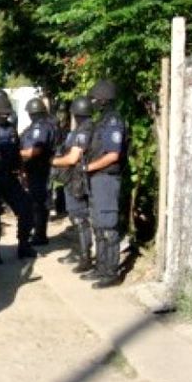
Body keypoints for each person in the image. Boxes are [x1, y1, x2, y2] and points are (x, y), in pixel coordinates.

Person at [80, 79, 127, 288]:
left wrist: (88, 167)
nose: (92, 102)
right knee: (99, 226)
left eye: (94, 99)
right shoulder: (102, 121)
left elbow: (113, 155)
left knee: (108, 226)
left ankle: (111, 272)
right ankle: (101, 267)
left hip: (107, 178)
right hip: (97, 179)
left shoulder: (113, 121)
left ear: (103, 100)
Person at [0, 93, 37, 264]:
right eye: (2, 113)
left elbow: (17, 154)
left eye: (7, 113)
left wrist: (23, 173)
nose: (5, 116)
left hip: (10, 177)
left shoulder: (11, 129)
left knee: (26, 208)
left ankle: (23, 245)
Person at [51, 96, 95, 273]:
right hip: (74, 178)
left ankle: (85, 257)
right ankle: (78, 253)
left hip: (78, 179)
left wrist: (53, 161)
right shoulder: (84, 129)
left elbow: (72, 158)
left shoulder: (84, 131)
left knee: (79, 218)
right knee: (75, 216)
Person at [19, 98, 55, 246]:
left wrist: (17, 154)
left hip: (40, 170)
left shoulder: (41, 127)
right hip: (33, 169)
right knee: (35, 202)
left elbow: (36, 150)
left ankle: (40, 235)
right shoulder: (36, 127)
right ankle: (38, 233)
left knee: (39, 203)